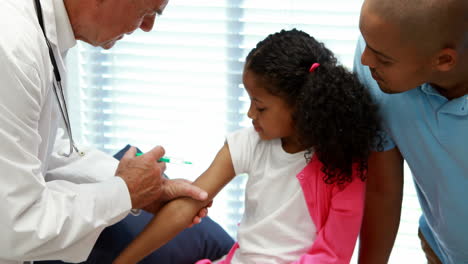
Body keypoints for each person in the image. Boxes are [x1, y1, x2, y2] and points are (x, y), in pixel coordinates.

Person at [113, 28, 382, 264]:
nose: (250, 114)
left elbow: (333, 255)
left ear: (302, 106)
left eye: (260, 106)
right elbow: (186, 206)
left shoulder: (342, 164)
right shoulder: (248, 143)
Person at [0, 0, 233, 263]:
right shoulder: (11, 45)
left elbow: (47, 150)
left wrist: (143, 189)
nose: (147, 26)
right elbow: (15, 225)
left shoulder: (44, 34)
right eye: (147, 11)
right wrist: (125, 192)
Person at [354, 0, 468, 263]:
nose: (364, 59)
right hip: (440, 250)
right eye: (365, 40)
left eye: (383, 59)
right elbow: (381, 188)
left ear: (443, 60)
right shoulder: (377, 58)